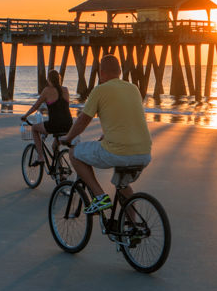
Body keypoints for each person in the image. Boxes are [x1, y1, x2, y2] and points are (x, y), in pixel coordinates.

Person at [63, 54, 152, 214]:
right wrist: (107, 135)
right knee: (122, 185)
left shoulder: (99, 90)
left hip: (118, 152)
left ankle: (99, 197)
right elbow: (126, 119)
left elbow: (83, 121)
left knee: (74, 153)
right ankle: (133, 229)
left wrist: (68, 137)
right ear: (119, 71)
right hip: (144, 153)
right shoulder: (133, 89)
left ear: (101, 73)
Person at [20, 69, 72, 165]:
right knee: (54, 146)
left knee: (35, 128)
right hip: (68, 124)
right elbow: (61, 109)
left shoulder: (47, 91)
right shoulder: (65, 90)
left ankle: (40, 157)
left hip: (55, 124)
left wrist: (25, 115)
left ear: (49, 80)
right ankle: (59, 172)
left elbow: (36, 106)